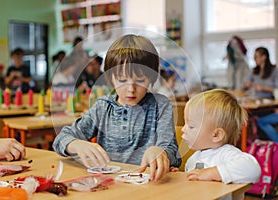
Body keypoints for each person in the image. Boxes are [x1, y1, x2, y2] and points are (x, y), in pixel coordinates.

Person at [53, 34, 181, 181]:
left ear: (152, 77)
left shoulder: (161, 105)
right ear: (110, 77)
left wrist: (161, 152)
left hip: (147, 185)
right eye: (122, 80)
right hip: (110, 184)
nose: (131, 89)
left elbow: (173, 153)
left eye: (140, 80)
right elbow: (60, 140)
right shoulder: (103, 107)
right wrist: (75, 144)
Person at [182, 89, 261, 186]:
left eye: (191, 126)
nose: (183, 129)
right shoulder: (194, 158)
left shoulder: (226, 154)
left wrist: (213, 173)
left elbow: (252, 169)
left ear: (216, 135)